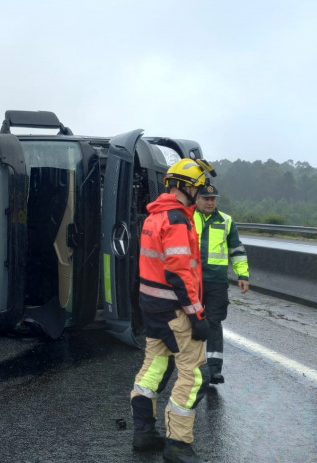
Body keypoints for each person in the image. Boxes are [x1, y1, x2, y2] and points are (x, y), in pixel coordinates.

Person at [130, 158, 214, 463]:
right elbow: (180, 274)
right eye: (197, 187)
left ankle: (144, 434)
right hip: (175, 311)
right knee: (194, 376)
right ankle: (177, 446)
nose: (199, 192)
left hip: (152, 309)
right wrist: (197, 316)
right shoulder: (177, 219)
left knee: (154, 367)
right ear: (183, 186)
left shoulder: (154, 216)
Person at [194, 183, 249, 385]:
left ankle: (214, 370)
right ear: (197, 199)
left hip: (217, 281)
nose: (210, 202)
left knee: (214, 322)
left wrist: (242, 275)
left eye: (213, 199)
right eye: (206, 198)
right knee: (192, 321)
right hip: (193, 280)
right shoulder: (188, 217)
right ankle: (192, 366)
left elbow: (236, 250)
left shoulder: (226, 221)